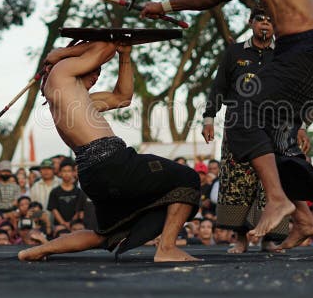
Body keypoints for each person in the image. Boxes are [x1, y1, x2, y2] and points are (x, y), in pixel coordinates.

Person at [141, 0, 313, 241]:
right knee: (271, 140)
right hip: (298, 55)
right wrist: (164, 6)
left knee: (243, 116)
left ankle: (276, 200)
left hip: (303, 53)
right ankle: (304, 218)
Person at [18, 41, 201, 262]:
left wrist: (125, 55)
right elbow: (105, 47)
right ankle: (167, 248)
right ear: (73, 64)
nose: (96, 75)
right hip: (112, 163)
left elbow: (122, 97)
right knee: (186, 178)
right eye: (93, 69)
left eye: (99, 71)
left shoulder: (78, 99)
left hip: (95, 174)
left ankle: (37, 251)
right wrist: (62, 53)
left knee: (105, 235)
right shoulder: (60, 74)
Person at [202, 9, 290, 253]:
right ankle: (240, 238)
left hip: (273, 123)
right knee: (237, 180)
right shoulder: (235, 51)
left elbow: (292, 92)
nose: (265, 25)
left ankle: (270, 238)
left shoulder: (282, 54)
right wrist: (209, 118)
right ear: (250, 22)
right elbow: (219, 86)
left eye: (270, 21)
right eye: (260, 19)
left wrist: (298, 126)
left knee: (271, 181)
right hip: (238, 123)